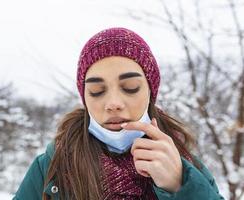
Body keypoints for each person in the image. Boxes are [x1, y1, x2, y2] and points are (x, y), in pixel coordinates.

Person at [13, 27, 224, 200]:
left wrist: (181, 186)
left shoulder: (186, 167)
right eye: (97, 91)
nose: (113, 104)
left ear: (151, 93)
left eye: (130, 87)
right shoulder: (51, 167)